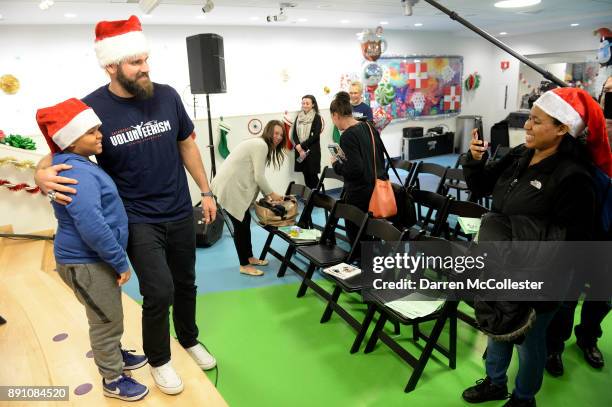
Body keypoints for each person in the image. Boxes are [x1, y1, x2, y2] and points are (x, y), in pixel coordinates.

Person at [34, 16, 217, 395]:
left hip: (181, 209)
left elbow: (187, 143)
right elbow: (58, 147)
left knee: (186, 283)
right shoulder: (92, 108)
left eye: (146, 59)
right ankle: (160, 360)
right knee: (159, 290)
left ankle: (189, 338)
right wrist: (40, 172)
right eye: (135, 62)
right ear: (111, 65)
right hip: (136, 218)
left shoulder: (167, 95)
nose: (145, 67)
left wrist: (207, 190)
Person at [461, 87, 611, 407]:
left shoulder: (575, 177)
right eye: (529, 118)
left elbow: (575, 242)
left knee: (528, 340)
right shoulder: (520, 155)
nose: (527, 126)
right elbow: (480, 187)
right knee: (498, 324)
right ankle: (495, 382)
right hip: (502, 262)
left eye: (537, 121)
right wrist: (474, 161)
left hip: (542, 275)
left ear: (562, 128)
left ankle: (524, 397)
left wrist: (514, 237)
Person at [36, 98, 148, 402]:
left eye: (98, 129)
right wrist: (120, 261)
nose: (100, 135)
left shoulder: (77, 164)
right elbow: (91, 224)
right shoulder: (79, 172)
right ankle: (112, 379)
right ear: (72, 140)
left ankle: (116, 354)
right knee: (105, 321)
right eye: (92, 132)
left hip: (90, 261)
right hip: (86, 263)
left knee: (108, 314)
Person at [544, 75, 612, 377]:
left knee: (602, 293)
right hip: (578, 231)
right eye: (609, 92)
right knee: (567, 295)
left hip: (608, 232)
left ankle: (588, 338)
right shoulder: (584, 132)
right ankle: (555, 346)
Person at [211, 120, 285, 276]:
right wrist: (272, 194)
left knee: (245, 222)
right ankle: (244, 265)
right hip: (230, 188)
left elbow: (255, 175)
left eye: (281, 134)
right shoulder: (261, 145)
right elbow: (259, 176)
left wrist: (267, 195)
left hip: (233, 186)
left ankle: (250, 257)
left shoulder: (260, 145)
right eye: (276, 133)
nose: (278, 137)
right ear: (268, 131)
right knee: (240, 226)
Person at [329, 91, 385, 245]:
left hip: (359, 193)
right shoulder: (368, 126)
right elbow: (379, 157)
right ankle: (372, 262)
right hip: (377, 187)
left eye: (333, 119)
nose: (334, 123)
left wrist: (336, 164)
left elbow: (354, 170)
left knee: (357, 236)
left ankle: (363, 265)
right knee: (373, 231)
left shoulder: (347, 136)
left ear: (336, 115)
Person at [292, 95, 323, 190]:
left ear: (313, 104)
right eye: (303, 103)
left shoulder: (317, 117)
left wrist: (301, 145)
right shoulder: (299, 116)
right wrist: (297, 145)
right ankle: (309, 196)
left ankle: (317, 197)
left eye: (307, 103)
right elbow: (294, 133)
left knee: (312, 175)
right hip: (300, 150)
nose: (304, 105)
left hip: (312, 151)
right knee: (305, 174)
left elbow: (315, 136)